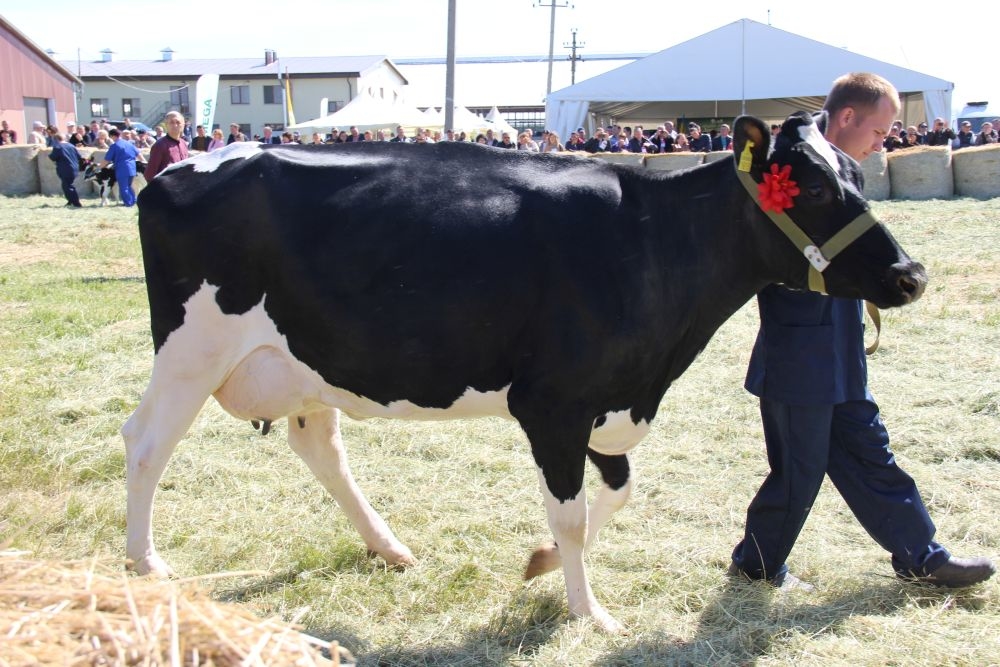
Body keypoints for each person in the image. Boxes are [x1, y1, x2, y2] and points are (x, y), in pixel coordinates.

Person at [729, 71, 996, 591]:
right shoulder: (785, 164)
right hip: (798, 347)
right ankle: (756, 566)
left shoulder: (841, 167)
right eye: (878, 132)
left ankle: (923, 557)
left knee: (871, 449)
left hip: (841, 341)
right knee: (799, 470)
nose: (882, 144)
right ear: (847, 116)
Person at [99, 127, 141, 206]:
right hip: (132, 168)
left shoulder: (114, 146)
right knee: (129, 186)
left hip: (122, 168)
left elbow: (107, 160)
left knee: (124, 187)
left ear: (112, 136)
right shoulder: (129, 144)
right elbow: (139, 154)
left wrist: (99, 167)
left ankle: (128, 203)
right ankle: (133, 200)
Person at [145, 110, 189, 179]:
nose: (175, 125)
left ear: (183, 125)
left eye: (178, 122)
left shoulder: (184, 144)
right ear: (166, 125)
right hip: (166, 184)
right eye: (171, 122)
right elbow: (149, 174)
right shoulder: (159, 145)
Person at [46, 130, 82, 207]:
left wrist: (48, 155)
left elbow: (53, 157)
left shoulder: (58, 147)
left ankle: (76, 203)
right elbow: (79, 157)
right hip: (74, 168)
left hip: (65, 169)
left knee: (68, 185)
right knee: (66, 185)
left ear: (56, 139)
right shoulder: (72, 146)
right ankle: (70, 201)